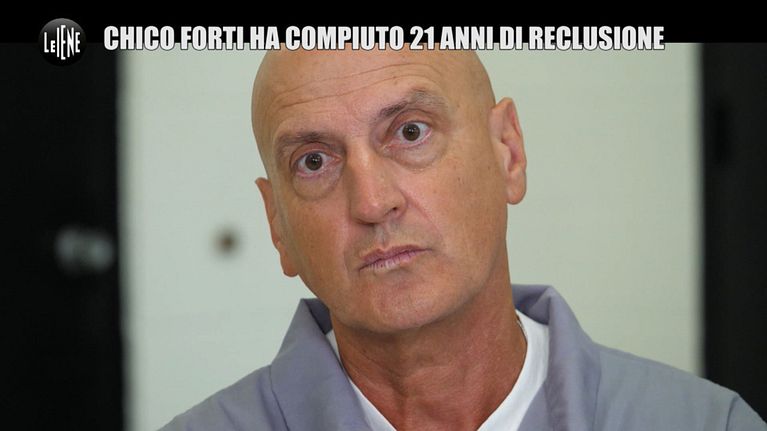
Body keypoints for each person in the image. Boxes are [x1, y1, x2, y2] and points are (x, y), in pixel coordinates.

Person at [161, 47, 766, 431]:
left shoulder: (706, 423)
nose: (372, 203)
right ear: (278, 225)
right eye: (314, 161)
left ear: (509, 153)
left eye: (411, 131)